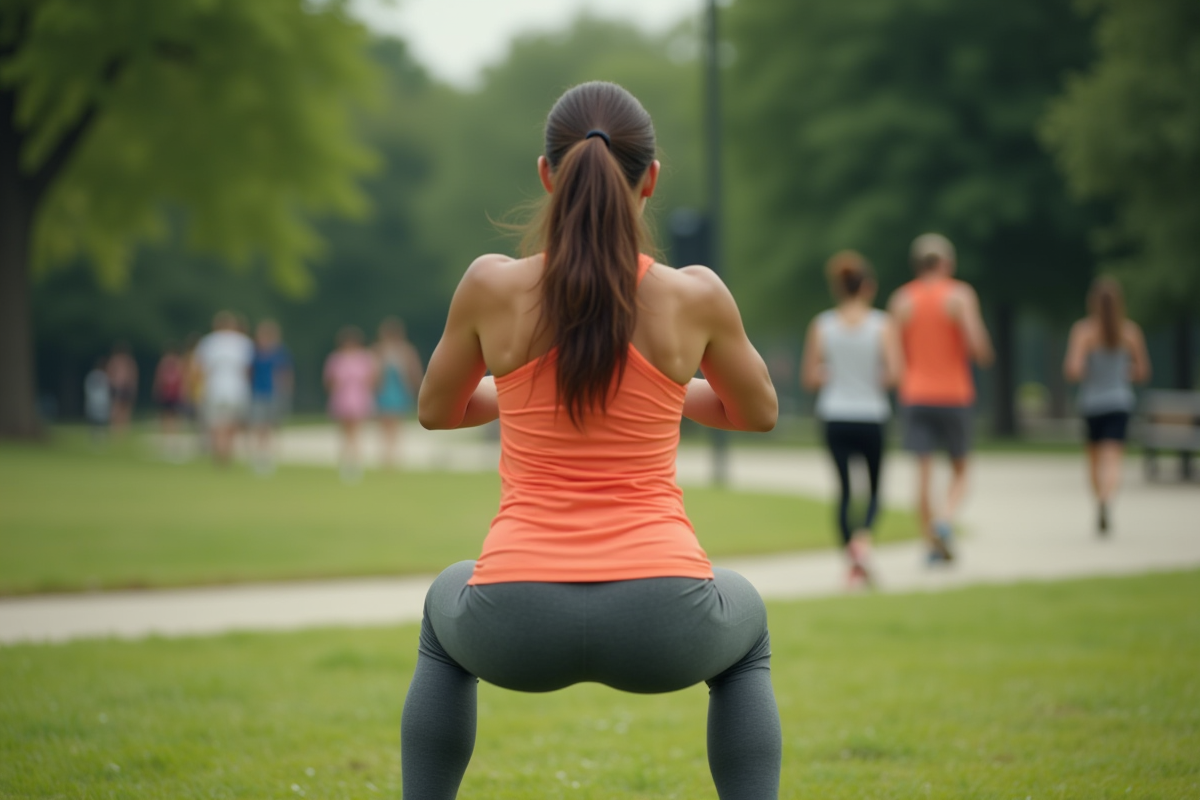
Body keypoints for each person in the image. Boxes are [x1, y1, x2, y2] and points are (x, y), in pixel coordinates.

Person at [405, 81, 782, 798]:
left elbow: (436, 409)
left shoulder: (490, 286)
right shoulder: (695, 294)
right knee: (748, 620)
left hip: (514, 620)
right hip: (665, 619)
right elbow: (757, 410)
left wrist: (514, 393)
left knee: (442, 603)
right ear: (652, 180)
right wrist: (670, 392)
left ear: (547, 174)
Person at [887, 233, 993, 563]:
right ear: (947, 263)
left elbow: (893, 357)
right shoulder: (960, 295)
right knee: (960, 469)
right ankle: (945, 521)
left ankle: (930, 544)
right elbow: (980, 350)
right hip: (954, 394)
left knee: (923, 473)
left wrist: (904, 383)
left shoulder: (902, 300)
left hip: (915, 394)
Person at [801, 251, 902, 587]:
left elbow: (810, 378)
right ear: (868, 287)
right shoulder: (882, 324)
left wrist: (831, 373)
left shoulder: (823, 324)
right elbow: (895, 373)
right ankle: (862, 543)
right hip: (871, 414)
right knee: (874, 491)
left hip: (835, 415)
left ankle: (852, 559)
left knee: (845, 491)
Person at [1063, 277, 1151, 535]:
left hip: (1092, 403)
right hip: (1119, 401)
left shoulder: (1084, 331)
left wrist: (1089, 369)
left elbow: (1072, 369)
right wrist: (1125, 372)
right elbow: (1143, 371)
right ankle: (1107, 499)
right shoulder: (1130, 332)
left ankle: (1098, 500)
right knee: (1113, 459)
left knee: (1093, 460)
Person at [195, 311, 254, 466]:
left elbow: (201, 369)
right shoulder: (243, 342)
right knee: (232, 423)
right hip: (236, 389)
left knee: (216, 424)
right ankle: (227, 452)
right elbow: (247, 370)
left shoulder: (208, 342)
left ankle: (218, 452)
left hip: (214, 388)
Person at [323, 326, 378, 482]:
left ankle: (356, 464)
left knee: (356, 432)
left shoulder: (364, 358)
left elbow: (372, 379)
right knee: (344, 433)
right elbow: (329, 381)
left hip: (359, 397)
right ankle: (346, 464)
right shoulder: (336, 359)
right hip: (342, 397)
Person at [374, 317, 424, 468]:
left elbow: (413, 372)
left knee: (393, 424)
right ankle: (389, 455)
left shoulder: (404, 350)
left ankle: (391, 456)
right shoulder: (381, 351)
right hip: (386, 389)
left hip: (397, 389)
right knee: (388, 424)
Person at [248, 319, 294, 475]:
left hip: (273, 393)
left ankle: (269, 455)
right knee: (259, 425)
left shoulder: (279, 353)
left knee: (271, 425)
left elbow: (284, 374)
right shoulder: (255, 353)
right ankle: (260, 455)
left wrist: (285, 391)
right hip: (258, 392)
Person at [152, 343, 187, 461]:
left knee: (173, 418)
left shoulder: (178, 364)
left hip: (174, 394)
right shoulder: (166, 364)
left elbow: (183, 380)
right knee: (167, 417)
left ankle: (172, 441)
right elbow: (159, 379)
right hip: (167, 394)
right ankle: (168, 441)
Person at [106, 342, 138, 436]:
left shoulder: (122, 361)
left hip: (122, 388)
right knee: (119, 408)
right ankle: (118, 429)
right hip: (120, 388)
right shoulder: (126, 361)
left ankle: (120, 430)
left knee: (122, 409)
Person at [84, 358, 111, 442]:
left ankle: (96, 438)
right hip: (100, 402)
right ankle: (99, 438)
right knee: (99, 422)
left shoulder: (92, 375)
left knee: (96, 421)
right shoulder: (104, 377)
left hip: (96, 402)